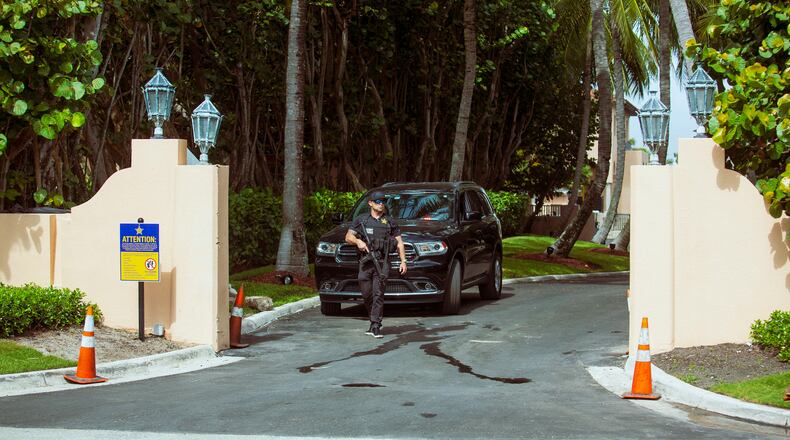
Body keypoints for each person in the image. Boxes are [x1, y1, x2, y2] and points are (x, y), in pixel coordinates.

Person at [345, 190, 407, 338]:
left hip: (382, 262)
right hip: (366, 262)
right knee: (367, 294)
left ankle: (375, 325)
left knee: (378, 293)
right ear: (370, 203)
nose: (381, 204)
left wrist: (403, 261)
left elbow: (399, 243)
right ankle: (373, 319)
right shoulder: (361, 220)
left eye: (383, 202)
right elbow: (348, 236)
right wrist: (358, 241)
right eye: (378, 201)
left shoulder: (390, 222)